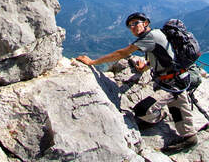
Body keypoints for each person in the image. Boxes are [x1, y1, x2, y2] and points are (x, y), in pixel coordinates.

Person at [76, 12, 198, 154]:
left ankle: (180, 132)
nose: (132, 27)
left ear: (146, 23)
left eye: (135, 23)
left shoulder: (150, 37)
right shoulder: (155, 34)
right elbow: (160, 55)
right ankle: (188, 135)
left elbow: (122, 53)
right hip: (173, 80)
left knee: (143, 111)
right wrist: (145, 66)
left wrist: (93, 62)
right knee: (177, 109)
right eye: (130, 26)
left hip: (172, 83)